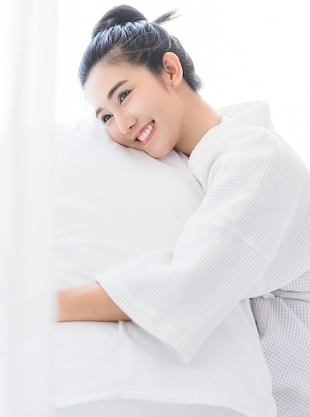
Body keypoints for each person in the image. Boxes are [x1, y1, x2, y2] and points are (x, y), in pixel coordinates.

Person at [57, 4, 310, 416]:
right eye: (105, 115)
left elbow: (188, 282)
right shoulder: (199, 170)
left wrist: (45, 305)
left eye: (124, 94)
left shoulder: (258, 158)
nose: (121, 123)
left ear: (170, 71)